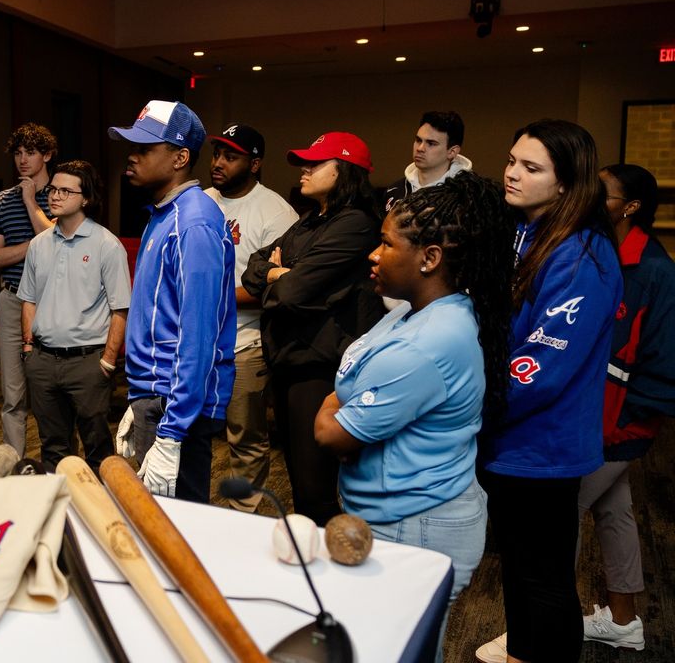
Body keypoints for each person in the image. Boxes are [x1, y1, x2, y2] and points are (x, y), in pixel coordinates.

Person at [315, 173, 516, 663]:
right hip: (404, 514)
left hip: (416, 527)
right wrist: (345, 398)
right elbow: (348, 392)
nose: (374, 254)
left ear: (430, 258)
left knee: (395, 651)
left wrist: (338, 401)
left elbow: (330, 431)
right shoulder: (414, 311)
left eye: (385, 243)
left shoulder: (429, 341)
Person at [475, 120, 623, 663]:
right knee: (517, 566)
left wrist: (473, 404)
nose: (512, 172)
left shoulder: (582, 253)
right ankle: (522, 652)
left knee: (546, 578)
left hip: (544, 444)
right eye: (512, 160)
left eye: (531, 167)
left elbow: (544, 364)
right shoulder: (525, 231)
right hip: (507, 439)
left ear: (566, 184)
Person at [241, 132, 384, 525]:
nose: (304, 170)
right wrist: (277, 272)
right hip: (289, 359)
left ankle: (333, 573)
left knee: (314, 487)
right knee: (300, 481)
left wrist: (281, 274)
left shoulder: (355, 222)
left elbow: (292, 292)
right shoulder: (311, 220)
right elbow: (254, 269)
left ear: (344, 171)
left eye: (315, 163)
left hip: (320, 366)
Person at [109, 100, 235, 503]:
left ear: (181, 157)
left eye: (145, 149)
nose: (132, 155)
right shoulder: (164, 213)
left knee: (179, 534)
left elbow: (197, 336)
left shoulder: (193, 222)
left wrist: (172, 431)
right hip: (157, 395)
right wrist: (138, 395)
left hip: (177, 405)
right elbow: (155, 314)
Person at [577, 165, 674, 651]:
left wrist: (630, 419)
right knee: (615, 512)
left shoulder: (655, 269)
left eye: (602, 190)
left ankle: (538, 633)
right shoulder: (600, 251)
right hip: (596, 414)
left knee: (559, 512)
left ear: (630, 206)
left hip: (620, 422)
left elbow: (663, 358)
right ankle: (623, 621)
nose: (591, 194)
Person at [204, 124, 298, 512]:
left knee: (245, 438)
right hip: (197, 343)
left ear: (254, 164)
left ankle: (243, 518)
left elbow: (276, 289)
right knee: (191, 433)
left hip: (246, 343)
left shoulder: (276, 212)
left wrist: (209, 298)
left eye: (231, 156)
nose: (219, 163)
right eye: (217, 154)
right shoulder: (201, 202)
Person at [18, 160, 130, 473]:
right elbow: (28, 299)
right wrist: (29, 349)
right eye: (53, 189)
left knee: (97, 448)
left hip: (88, 362)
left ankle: (103, 516)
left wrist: (108, 361)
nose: (55, 196)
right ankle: (61, 517)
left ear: (86, 198)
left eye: (66, 191)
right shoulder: (39, 244)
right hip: (42, 360)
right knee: (53, 447)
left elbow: (120, 308)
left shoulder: (107, 245)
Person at [0, 123, 57, 458]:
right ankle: (15, 468)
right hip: (13, 299)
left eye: (30, 152)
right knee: (13, 395)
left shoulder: (63, 192)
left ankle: (56, 466)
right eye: (18, 153)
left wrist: (31, 200)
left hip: (53, 302)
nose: (23, 160)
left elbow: (61, 246)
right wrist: (37, 243)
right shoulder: (1, 201)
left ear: (47, 155)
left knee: (50, 393)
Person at [383, 111, 471, 211]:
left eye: (431, 143)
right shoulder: (394, 191)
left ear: (452, 152)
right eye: (418, 140)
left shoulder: (470, 195)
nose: (420, 148)